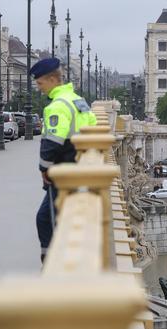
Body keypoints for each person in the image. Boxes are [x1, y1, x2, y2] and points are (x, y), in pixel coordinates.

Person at [30, 58, 97, 262]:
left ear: (52, 79)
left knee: (46, 219)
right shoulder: (78, 100)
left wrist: (44, 169)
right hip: (84, 167)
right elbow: (93, 126)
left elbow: (52, 142)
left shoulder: (57, 106)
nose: (39, 88)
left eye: (40, 83)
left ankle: (52, 264)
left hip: (65, 171)